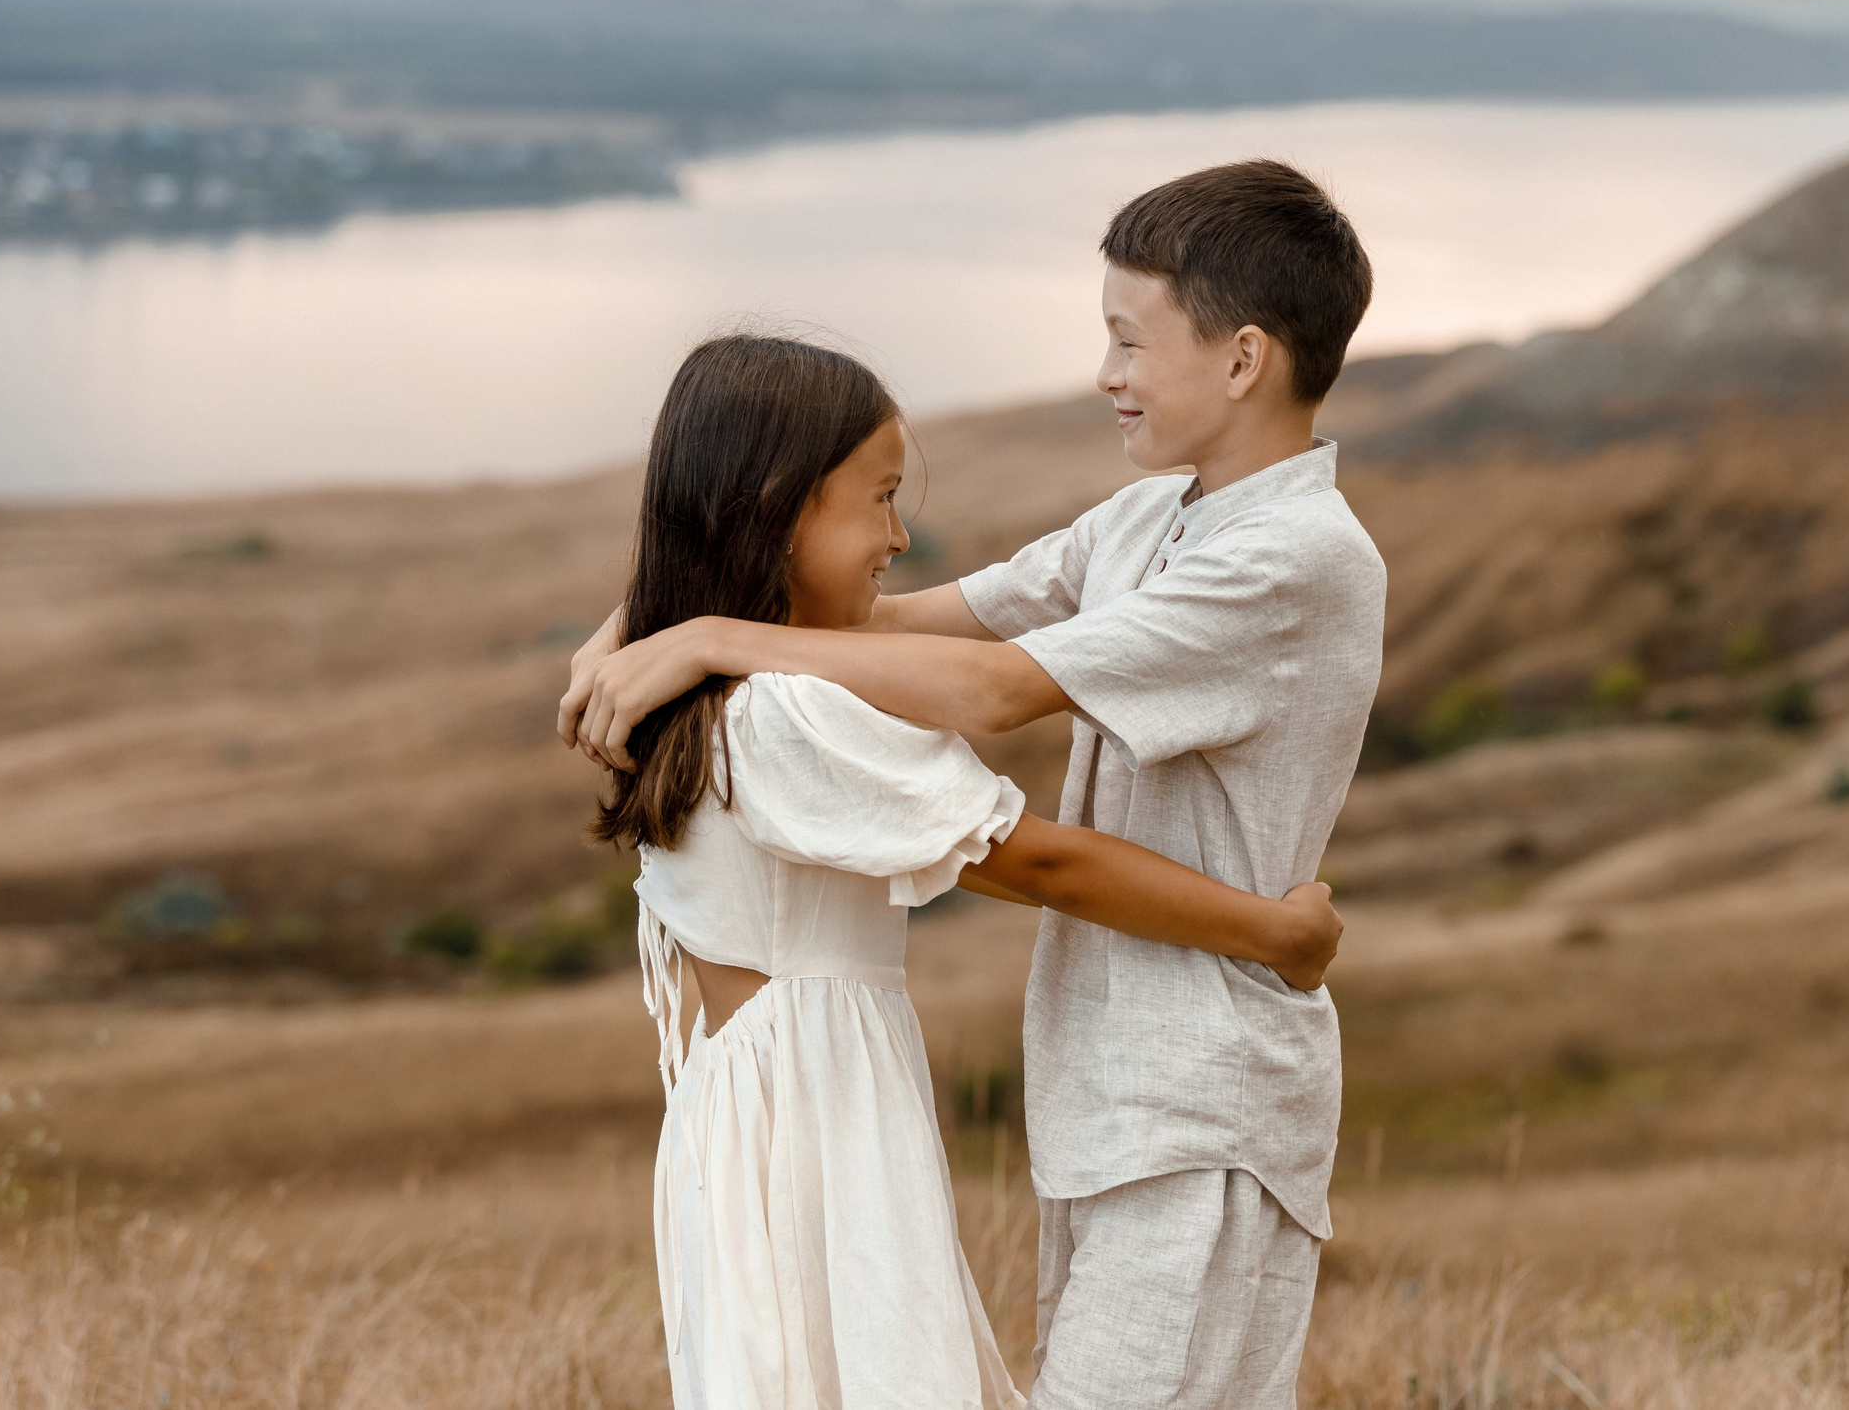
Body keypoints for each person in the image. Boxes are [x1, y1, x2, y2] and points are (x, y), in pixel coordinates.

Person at [563, 160, 1384, 1409]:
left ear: (1242, 360)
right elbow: (903, 621)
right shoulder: (1148, 521)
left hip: (1205, 1080)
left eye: (1127, 339)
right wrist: (652, 616)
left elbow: (989, 690)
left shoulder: (1290, 558)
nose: (1104, 371)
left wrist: (706, 637)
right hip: (1111, 1077)